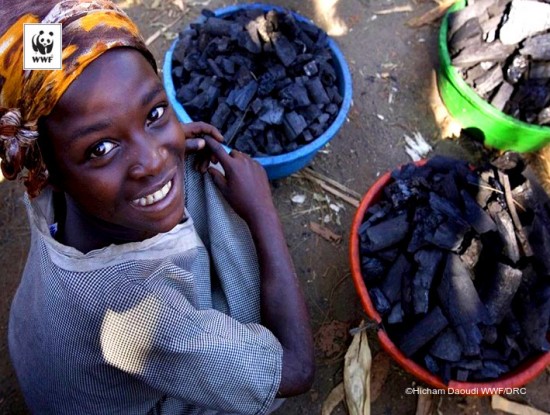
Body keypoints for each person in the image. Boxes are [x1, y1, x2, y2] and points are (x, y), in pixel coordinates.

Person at [0, 1, 315, 413]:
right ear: (48, 168)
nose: (153, 160)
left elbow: (46, 60)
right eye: (101, 147)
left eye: (154, 112)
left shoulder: (47, 173)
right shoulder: (138, 314)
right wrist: (262, 213)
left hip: (41, 339)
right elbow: (296, 370)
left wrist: (136, 136)